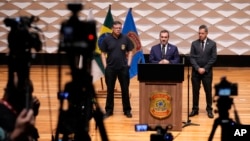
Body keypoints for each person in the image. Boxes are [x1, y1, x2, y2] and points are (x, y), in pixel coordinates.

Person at [100, 21, 133, 118]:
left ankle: (127, 110)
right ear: (112, 29)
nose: (118, 30)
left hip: (123, 69)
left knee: (125, 90)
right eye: (116, 28)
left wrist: (128, 64)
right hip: (110, 69)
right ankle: (109, 110)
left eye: (120, 28)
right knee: (110, 90)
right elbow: (102, 53)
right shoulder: (106, 39)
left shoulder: (125, 38)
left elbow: (130, 51)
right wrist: (105, 66)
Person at [189, 24, 217, 119]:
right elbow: (192, 57)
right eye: (199, 33)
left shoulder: (212, 44)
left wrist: (205, 68)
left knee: (208, 91)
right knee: (195, 91)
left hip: (207, 72)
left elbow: (213, 58)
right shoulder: (194, 43)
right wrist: (197, 68)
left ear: (206, 33)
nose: (200, 35)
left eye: (202, 33)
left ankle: (209, 109)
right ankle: (195, 109)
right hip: (196, 72)